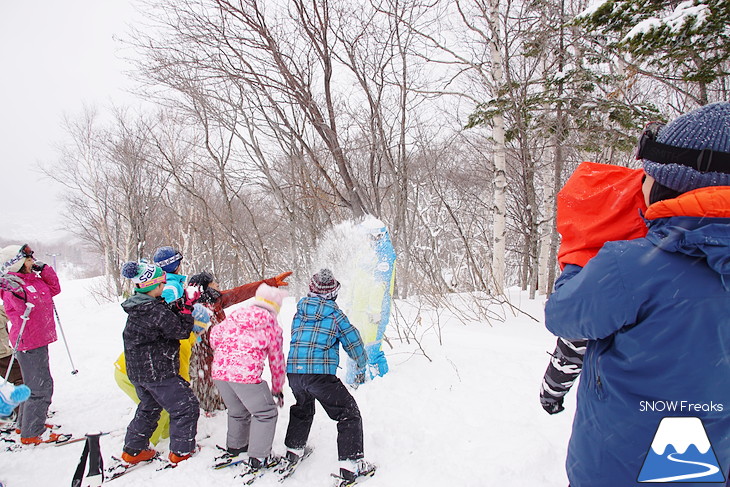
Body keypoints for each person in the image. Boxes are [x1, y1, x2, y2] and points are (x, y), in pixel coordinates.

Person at [544, 102, 730, 486]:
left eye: (646, 174)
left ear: (668, 185)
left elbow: (564, 315)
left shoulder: (631, 266)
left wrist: (581, 255)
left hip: (621, 465)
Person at [539, 161, 647, 414]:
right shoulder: (655, 252)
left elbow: (574, 343)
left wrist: (551, 392)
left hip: (618, 403)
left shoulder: (590, 270)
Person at [283, 269, 376, 484]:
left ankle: (293, 450)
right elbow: (353, 341)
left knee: (302, 408)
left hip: (295, 373)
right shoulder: (335, 314)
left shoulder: (300, 311)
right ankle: (351, 465)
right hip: (320, 375)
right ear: (332, 293)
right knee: (348, 413)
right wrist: (362, 364)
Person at [113, 246, 207, 446]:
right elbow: (180, 332)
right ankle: (181, 452)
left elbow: (165, 319)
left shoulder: (140, 306)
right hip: (155, 370)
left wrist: (182, 308)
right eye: (162, 283)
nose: (165, 287)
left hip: (137, 370)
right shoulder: (153, 309)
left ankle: (133, 450)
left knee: (150, 407)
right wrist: (188, 308)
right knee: (186, 406)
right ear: (154, 285)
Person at [187, 269, 292, 413]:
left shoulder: (217, 299)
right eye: (213, 283)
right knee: (206, 383)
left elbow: (240, 292)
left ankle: (218, 407)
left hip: (220, 358)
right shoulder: (195, 310)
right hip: (203, 357)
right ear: (206, 287)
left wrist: (270, 283)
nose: (217, 284)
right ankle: (208, 409)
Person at [209, 283, 287, 470]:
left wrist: (226, 356)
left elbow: (214, 336)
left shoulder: (236, 316)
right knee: (266, 413)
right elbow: (277, 362)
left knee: (238, 411)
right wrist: (277, 389)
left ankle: (236, 447)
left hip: (220, 373)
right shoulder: (272, 326)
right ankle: (259, 457)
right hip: (245, 376)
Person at [0, 244, 64, 445]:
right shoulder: (14, 287)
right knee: (40, 387)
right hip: (29, 342)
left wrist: (45, 270)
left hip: (40, 339)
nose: (33, 262)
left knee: (35, 385)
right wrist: (10, 283)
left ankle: (25, 423)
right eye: (28, 260)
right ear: (18, 263)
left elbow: (54, 289)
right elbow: (21, 305)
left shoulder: (32, 280)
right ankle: (32, 432)